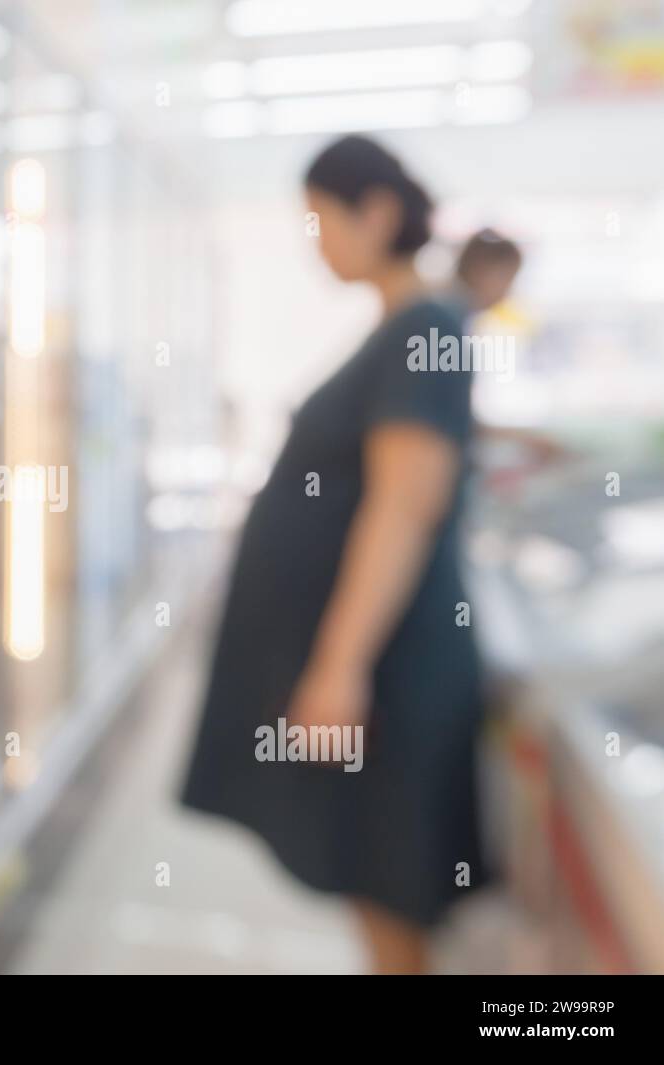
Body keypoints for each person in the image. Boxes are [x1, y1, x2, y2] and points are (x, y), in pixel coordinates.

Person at [180, 134, 488, 974]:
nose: (314, 241)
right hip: (377, 662)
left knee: (388, 884)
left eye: (320, 219)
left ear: (377, 213)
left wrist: (340, 664)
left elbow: (404, 504)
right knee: (370, 881)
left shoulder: (426, 327)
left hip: (390, 669)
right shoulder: (403, 328)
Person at [454, 227, 522, 314]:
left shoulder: (461, 313)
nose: (507, 291)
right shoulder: (444, 317)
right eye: (506, 278)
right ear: (478, 271)